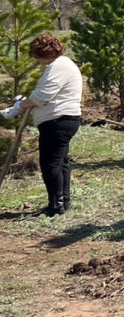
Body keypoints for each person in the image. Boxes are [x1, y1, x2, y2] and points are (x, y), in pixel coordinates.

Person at [0, 33, 82, 216]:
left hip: (57, 121)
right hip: (62, 120)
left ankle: (55, 206)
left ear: (43, 52)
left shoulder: (58, 66)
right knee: (61, 163)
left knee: (50, 164)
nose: (36, 60)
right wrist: (24, 102)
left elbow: (41, 97)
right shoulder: (59, 65)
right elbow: (43, 93)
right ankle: (63, 202)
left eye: (36, 55)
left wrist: (19, 106)